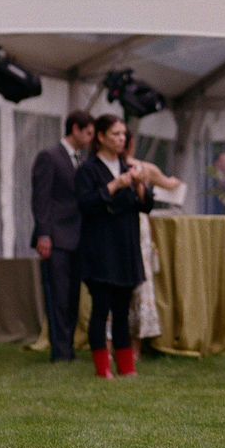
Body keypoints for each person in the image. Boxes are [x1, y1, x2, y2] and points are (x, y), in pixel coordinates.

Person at [75, 114, 156, 378]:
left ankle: (126, 366)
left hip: (125, 248)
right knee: (102, 308)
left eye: (123, 134)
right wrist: (114, 185)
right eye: (115, 134)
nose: (121, 139)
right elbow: (86, 205)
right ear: (100, 137)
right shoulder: (88, 169)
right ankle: (102, 368)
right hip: (100, 249)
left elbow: (146, 205)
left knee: (122, 310)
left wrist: (139, 184)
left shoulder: (129, 167)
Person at [31, 109, 95, 362]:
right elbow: (41, 199)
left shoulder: (79, 159)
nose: (91, 138)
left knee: (72, 295)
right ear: (75, 129)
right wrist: (44, 234)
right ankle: (60, 350)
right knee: (57, 294)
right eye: (88, 133)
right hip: (56, 237)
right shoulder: (50, 157)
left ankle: (67, 346)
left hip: (76, 236)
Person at [122, 130, 184, 350]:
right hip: (136, 229)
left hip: (129, 229)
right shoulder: (143, 168)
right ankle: (134, 345)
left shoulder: (136, 168)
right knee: (139, 284)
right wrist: (173, 182)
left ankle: (118, 345)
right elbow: (169, 184)